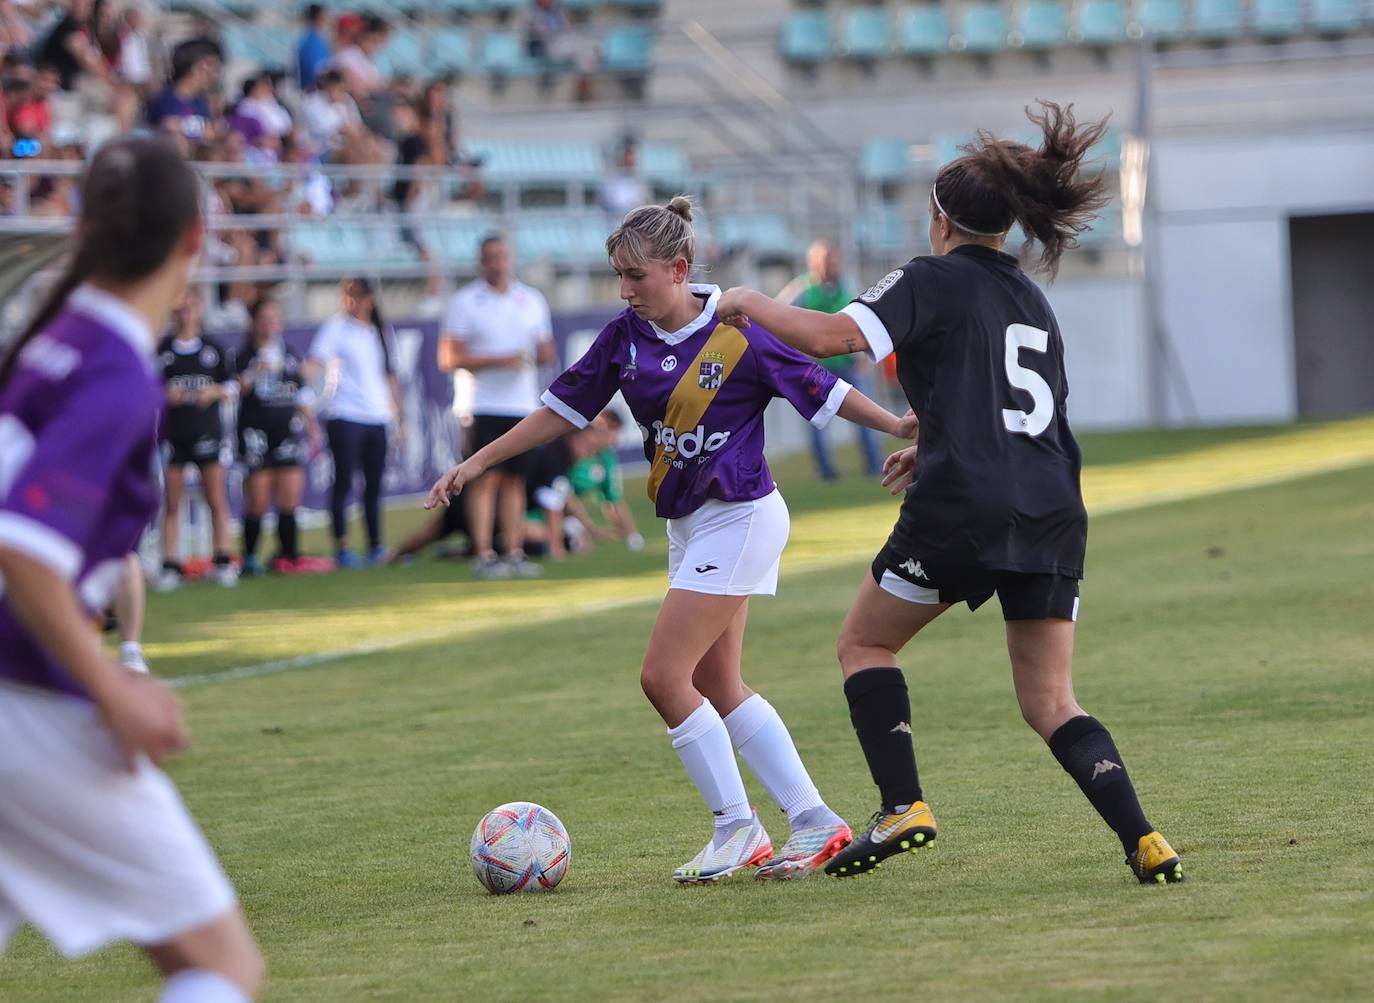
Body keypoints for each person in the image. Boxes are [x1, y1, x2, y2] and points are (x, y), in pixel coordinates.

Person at [715, 102, 1183, 885]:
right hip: (1051, 505)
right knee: (1051, 700)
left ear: (939, 221)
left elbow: (837, 339)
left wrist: (746, 302)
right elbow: (1019, 402)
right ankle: (1146, 839)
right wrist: (933, 437)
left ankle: (903, 804)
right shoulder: (1032, 299)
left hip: (966, 501)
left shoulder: (931, 277)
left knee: (864, 644)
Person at [427, 197, 917, 883]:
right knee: (718, 681)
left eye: (636, 276)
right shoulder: (624, 337)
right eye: (618, 277)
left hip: (742, 515)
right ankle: (814, 819)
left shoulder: (735, 327)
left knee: (663, 675)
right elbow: (557, 412)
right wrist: (476, 461)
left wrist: (898, 428)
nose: (625, 291)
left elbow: (821, 389)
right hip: (687, 525)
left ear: (679, 268)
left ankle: (738, 827)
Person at [0, 133, 264, 1001]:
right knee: (222, 966)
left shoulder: (49, 341)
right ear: (196, 239)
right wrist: (116, 690)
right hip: (28, 704)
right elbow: (26, 550)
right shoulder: (114, 374)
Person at [437, 234, 555, 580]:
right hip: (482, 402)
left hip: (520, 404)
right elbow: (448, 357)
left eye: (501, 256)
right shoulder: (465, 301)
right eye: (489, 257)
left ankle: (513, 552)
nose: (496, 263)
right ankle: (484, 553)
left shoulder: (530, 300)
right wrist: (499, 360)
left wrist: (535, 354)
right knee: (484, 478)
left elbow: (546, 350)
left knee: (515, 481)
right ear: (480, 262)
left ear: (510, 258)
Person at [306, 278, 403, 567]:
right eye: (347, 296)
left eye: (357, 296)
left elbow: (390, 376)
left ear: (369, 299)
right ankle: (343, 545)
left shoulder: (381, 332)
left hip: (377, 416)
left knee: (373, 485)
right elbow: (314, 362)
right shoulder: (335, 328)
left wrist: (397, 415)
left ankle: (375, 544)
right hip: (345, 414)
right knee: (344, 480)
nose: (352, 303)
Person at [776, 239, 883, 481]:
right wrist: (798, 355)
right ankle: (826, 471)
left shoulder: (849, 285)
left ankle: (875, 465)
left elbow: (864, 319)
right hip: (817, 368)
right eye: (825, 260)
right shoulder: (802, 289)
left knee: (866, 415)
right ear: (813, 263)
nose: (831, 265)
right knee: (817, 421)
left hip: (848, 364)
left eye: (833, 260)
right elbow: (778, 316)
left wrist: (864, 356)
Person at [233, 298, 323, 576]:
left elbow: (301, 392)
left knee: (289, 496)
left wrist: (311, 425)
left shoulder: (290, 354)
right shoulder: (244, 356)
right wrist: (253, 372)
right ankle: (249, 558)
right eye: (264, 319)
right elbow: (235, 390)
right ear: (255, 323)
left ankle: (288, 555)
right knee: (258, 499)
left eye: (274, 318)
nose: (269, 324)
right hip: (255, 432)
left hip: (286, 431)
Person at [156, 291, 238, 590]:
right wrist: (165, 395)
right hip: (174, 435)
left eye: (192, 307)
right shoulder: (163, 349)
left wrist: (213, 392)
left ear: (199, 310)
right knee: (172, 502)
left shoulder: (212, 349)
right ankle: (170, 565)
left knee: (215, 498)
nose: (187, 313)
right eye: (181, 308)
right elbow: (148, 386)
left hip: (207, 432)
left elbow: (232, 385)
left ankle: (223, 559)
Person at [568, 410, 643, 551]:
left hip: (570, 516)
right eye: (609, 431)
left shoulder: (606, 457)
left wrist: (630, 534)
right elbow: (565, 495)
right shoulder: (573, 449)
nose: (613, 438)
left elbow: (613, 498)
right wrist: (591, 529)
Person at [297, 3, 332, 92]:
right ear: (318, 18)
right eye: (325, 18)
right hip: (312, 93)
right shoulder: (311, 43)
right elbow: (316, 73)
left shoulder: (319, 41)